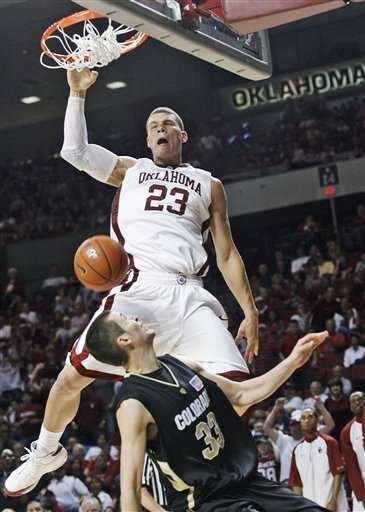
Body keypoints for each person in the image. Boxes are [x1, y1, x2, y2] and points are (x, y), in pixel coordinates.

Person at [4, 67, 259, 497]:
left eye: (168, 125)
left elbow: (227, 254)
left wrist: (250, 310)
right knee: (70, 378)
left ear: (183, 135)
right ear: (147, 140)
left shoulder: (209, 185)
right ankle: (46, 451)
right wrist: (76, 93)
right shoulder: (132, 171)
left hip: (191, 295)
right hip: (138, 291)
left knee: (239, 391)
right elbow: (75, 151)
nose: (160, 129)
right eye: (153, 126)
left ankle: (177, 463)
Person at [85, 311, 329, 511]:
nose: (135, 318)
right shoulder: (132, 404)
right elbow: (130, 488)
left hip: (245, 480)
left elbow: (241, 394)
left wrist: (293, 361)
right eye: (126, 320)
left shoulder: (179, 364)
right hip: (207, 501)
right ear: (124, 341)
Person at [263, 397, 335, 484]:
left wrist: (321, 406)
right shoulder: (284, 440)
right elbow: (267, 427)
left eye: (299, 425)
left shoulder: (313, 436)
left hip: (308, 480)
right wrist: (276, 408)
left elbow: (330, 425)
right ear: (290, 427)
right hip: (288, 482)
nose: (296, 428)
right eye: (293, 425)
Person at [289, 408, 348, 512]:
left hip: (332, 505)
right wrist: (299, 507)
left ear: (317, 420)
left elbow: (338, 474)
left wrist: (333, 501)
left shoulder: (329, 442)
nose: (306, 420)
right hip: (310, 507)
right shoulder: (297, 450)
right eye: (303, 418)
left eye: (310, 417)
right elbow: (296, 483)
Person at [340, 391, 365, 511]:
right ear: (350, 407)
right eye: (353, 401)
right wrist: (361, 494)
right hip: (362, 484)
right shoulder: (347, 432)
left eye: (360, 399)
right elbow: (351, 466)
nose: (357, 403)